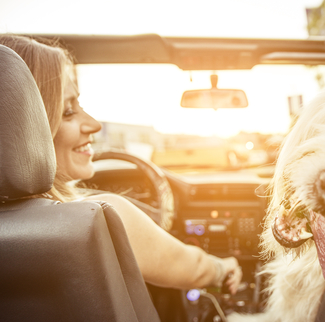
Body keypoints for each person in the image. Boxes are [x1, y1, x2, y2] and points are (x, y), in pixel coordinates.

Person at [0, 34, 242, 293]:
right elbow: (191, 268)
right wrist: (222, 268)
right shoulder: (101, 217)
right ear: (21, 128)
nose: (94, 124)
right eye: (68, 111)